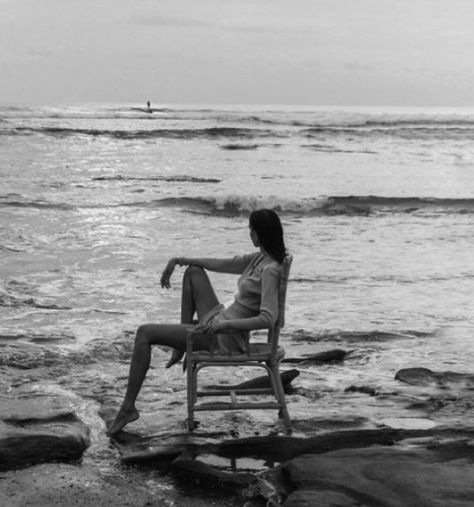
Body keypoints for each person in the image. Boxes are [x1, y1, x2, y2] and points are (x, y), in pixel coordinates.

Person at [106, 209, 287, 436]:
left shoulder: (270, 269)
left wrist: (223, 326)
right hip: (220, 321)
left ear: (260, 234)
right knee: (193, 272)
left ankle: (128, 408)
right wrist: (180, 260)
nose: (249, 233)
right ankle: (179, 347)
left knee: (144, 333)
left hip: (225, 337)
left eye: (252, 230)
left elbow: (268, 319)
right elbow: (221, 263)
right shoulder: (259, 258)